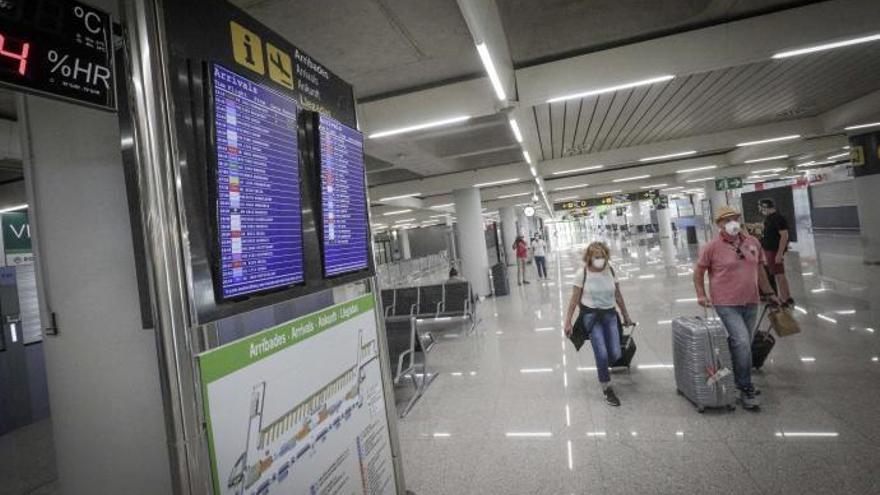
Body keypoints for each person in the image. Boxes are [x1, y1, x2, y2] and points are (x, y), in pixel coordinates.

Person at [693, 206, 780, 410]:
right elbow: (698, 274)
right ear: (719, 225)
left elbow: (759, 270)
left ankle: (729, 379)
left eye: (734, 218)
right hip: (725, 303)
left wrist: (770, 293)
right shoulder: (711, 247)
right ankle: (745, 387)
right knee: (741, 342)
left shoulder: (752, 243)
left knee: (743, 344)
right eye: (726, 220)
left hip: (751, 301)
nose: (731, 222)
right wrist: (700, 294)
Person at [564, 242, 633, 406]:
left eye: (602, 256)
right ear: (589, 257)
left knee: (615, 353)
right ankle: (606, 387)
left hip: (610, 315)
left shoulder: (611, 271)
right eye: (596, 257)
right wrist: (568, 321)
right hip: (591, 317)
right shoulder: (582, 274)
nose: (600, 259)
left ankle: (605, 368)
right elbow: (574, 299)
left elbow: (618, 295)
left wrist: (625, 315)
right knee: (601, 353)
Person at [759, 199, 793, 307]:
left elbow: (784, 236)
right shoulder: (768, 218)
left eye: (761, 208)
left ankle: (785, 299)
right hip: (768, 251)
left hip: (774, 251)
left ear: (765, 207)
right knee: (775, 274)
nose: (761, 210)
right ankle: (783, 297)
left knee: (779, 275)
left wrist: (779, 253)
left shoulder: (778, 218)